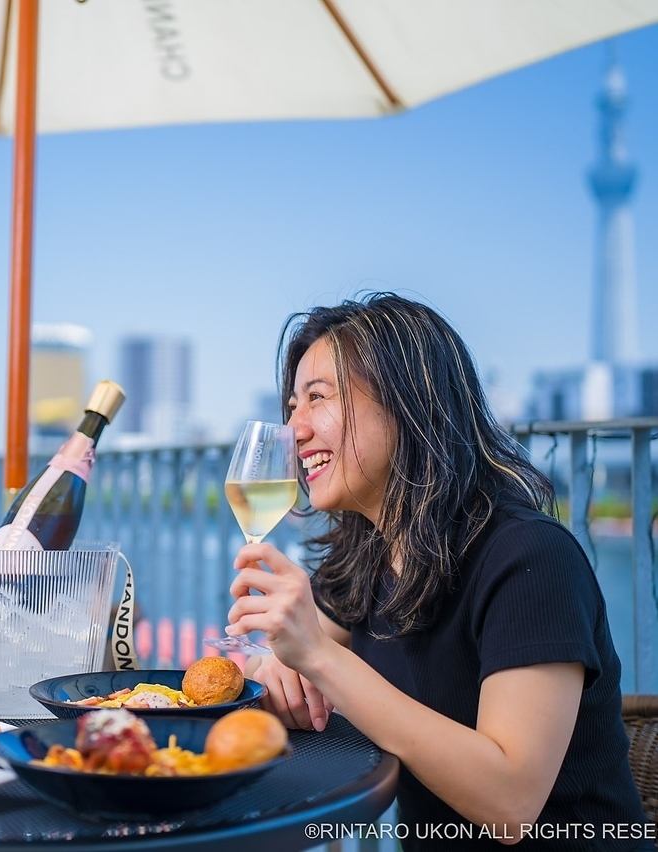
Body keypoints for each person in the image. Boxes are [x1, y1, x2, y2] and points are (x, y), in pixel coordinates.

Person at [227, 294, 648, 849]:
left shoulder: (529, 557)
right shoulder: (369, 556)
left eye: (318, 398)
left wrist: (321, 659)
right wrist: (272, 665)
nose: (294, 429)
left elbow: (511, 802)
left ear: (409, 401)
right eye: (292, 406)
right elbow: (288, 660)